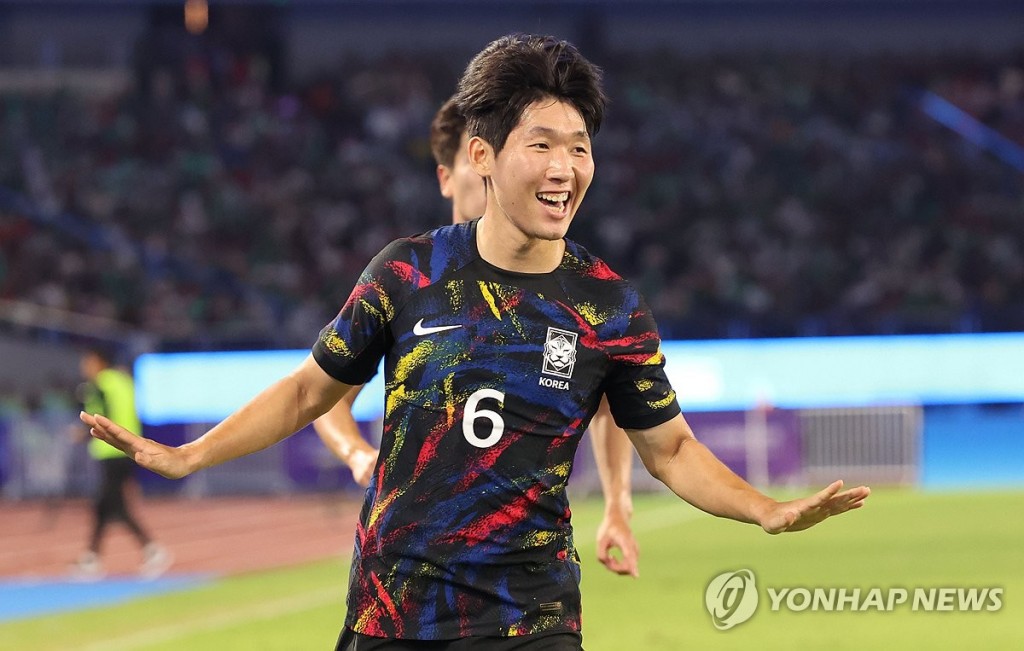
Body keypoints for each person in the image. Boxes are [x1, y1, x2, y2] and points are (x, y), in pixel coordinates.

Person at [82, 34, 870, 649]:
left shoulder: (611, 308)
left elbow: (671, 448)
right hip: (392, 610)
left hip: (532, 620)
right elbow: (307, 392)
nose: (565, 166)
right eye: (543, 144)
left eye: (580, 147)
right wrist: (189, 456)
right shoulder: (406, 273)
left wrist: (764, 510)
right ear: (482, 158)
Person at [312, 95, 641, 577]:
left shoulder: (567, 288)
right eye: (476, 156)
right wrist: (358, 453)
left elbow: (613, 405)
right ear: (449, 174)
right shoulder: (408, 277)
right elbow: (321, 394)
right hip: (412, 571)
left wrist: (618, 501)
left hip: (523, 578)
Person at [71, 347, 172, 580]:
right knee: (104, 505)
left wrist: (82, 433)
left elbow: (100, 418)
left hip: (109, 451)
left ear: (99, 362)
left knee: (113, 505)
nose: (85, 368)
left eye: (88, 362)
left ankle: (152, 549)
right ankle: (92, 556)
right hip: (128, 449)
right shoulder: (124, 381)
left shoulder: (100, 385)